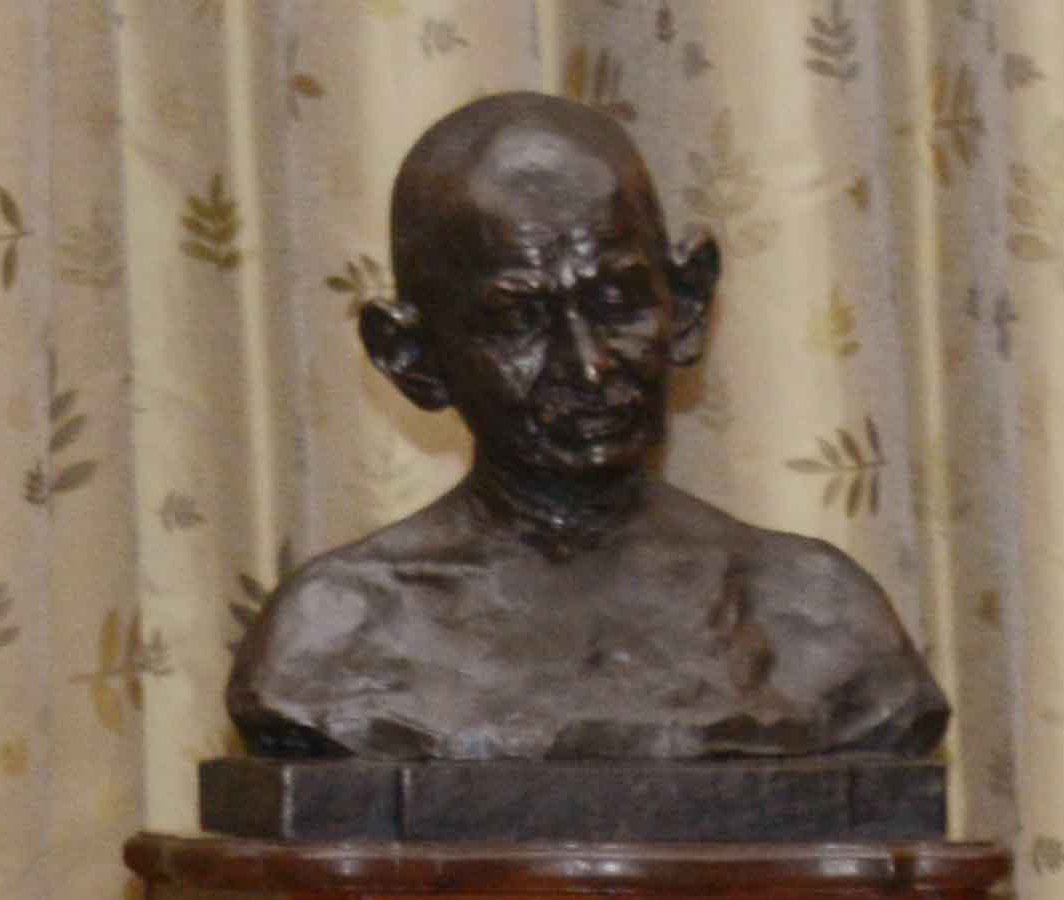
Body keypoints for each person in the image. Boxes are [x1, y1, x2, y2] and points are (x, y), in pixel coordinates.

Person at [227, 94, 953, 769]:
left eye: (618, 300)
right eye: (519, 320)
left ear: (689, 304)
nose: (591, 367)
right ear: (411, 358)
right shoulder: (333, 641)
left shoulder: (818, 622)